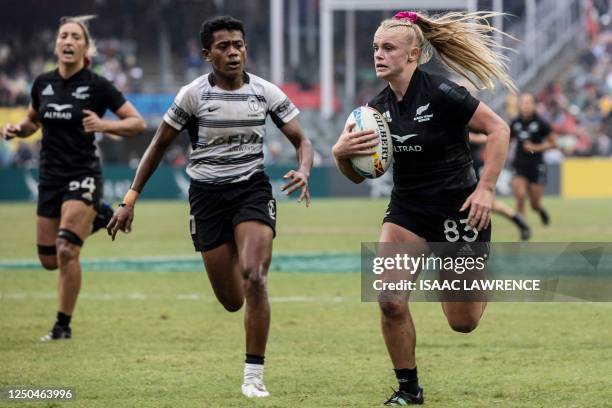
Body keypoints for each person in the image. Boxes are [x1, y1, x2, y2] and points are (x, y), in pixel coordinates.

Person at [106, 16, 313, 399]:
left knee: (254, 276)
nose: (233, 52)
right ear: (207, 54)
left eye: (239, 44)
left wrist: (302, 169)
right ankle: (238, 263)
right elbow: (157, 147)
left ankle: (253, 375)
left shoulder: (266, 92)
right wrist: (129, 199)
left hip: (252, 190)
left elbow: (302, 140)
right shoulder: (192, 95)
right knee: (233, 300)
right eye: (223, 46)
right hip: (206, 198)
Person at [332, 11, 514, 405]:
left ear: (413, 54)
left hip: (460, 213)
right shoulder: (373, 110)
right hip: (408, 212)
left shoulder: (443, 94)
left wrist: (485, 189)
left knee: (462, 323)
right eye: (375, 48)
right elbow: (358, 176)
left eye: (388, 48)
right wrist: (340, 155)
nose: (379, 55)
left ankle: (476, 272)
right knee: (389, 299)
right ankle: (408, 389)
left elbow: (499, 129)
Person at [0, 15, 146, 341]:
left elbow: (136, 124)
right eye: (63, 36)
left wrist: (104, 125)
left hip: (83, 174)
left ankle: (62, 326)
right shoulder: (42, 84)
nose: (68, 41)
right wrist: (16, 130)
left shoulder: (98, 86)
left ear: (85, 47)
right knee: (49, 259)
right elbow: (32, 122)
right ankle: (99, 215)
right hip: (49, 177)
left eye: (75, 37)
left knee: (67, 249)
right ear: (56, 45)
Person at [470, 132, 531, 241]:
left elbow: (491, 134)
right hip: (464, 166)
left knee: (487, 203)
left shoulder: (471, 121)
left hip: (474, 166)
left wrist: (466, 135)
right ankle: (518, 220)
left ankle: (518, 220)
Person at [510, 92, 555, 226]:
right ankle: (523, 228)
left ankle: (539, 210)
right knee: (520, 196)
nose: (525, 106)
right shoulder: (514, 122)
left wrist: (535, 147)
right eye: (522, 102)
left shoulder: (542, 123)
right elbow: (507, 139)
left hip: (536, 164)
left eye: (529, 102)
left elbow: (553, 143)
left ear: (534, 105)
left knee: (534, 203)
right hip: (519, 163)